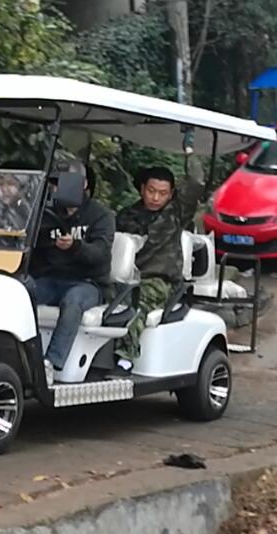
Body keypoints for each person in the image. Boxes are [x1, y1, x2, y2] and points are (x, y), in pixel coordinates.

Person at [114, 149, 209, 362]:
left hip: (159, 280)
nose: (156, 197)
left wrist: (190, 152)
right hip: (125, 277)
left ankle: (125, 356)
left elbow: (196, 183)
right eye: (151, 190)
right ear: (142, 189)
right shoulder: (126, 215)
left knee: (139, 303)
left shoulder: (176, 213)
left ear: (171, 193)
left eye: (162, 193)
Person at [27, 159, 115, 380]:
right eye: (55, 183)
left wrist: (76, 246)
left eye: (64, 183)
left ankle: (51, 364)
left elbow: (100, 254)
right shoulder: (45, 213)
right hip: (51, 278)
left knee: (73, 300)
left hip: (88, 282)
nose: (58, 188)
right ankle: (20, 357)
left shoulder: (100, 215)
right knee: (22, 292)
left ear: (84, 184)